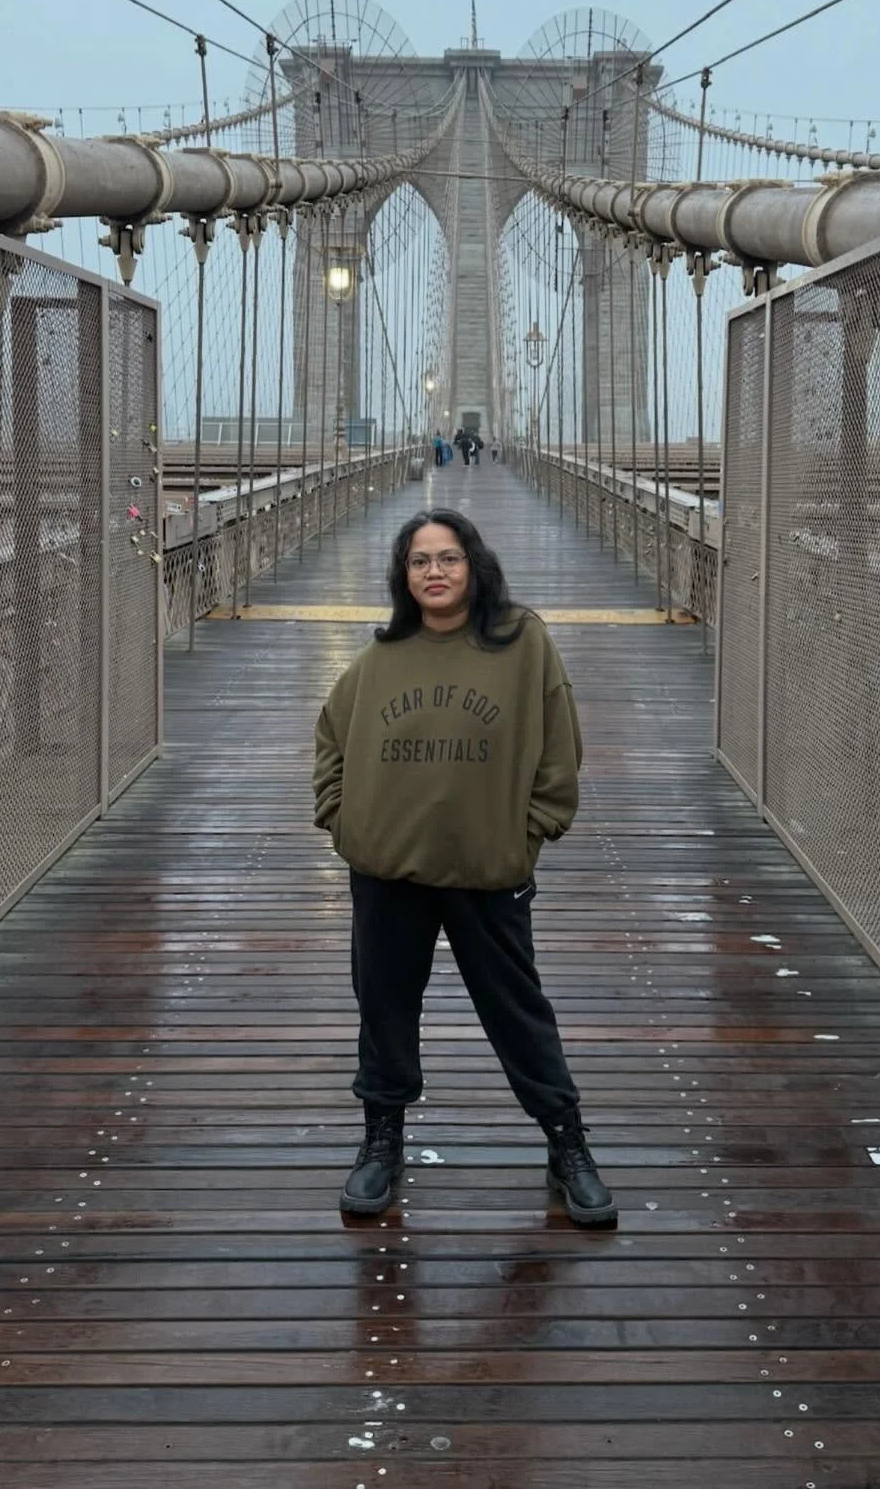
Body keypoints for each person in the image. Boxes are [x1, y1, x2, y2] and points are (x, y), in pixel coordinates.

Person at [312, 507, 616, 1227]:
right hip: (388, 871)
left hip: (488, 870)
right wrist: (342, 819)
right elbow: (331, 737)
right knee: (384, 1008)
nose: (435, 572)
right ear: (404, 575)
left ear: (474, 565)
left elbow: (560, 746)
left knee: (517, 1011)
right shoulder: (383, 655)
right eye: (420, 561)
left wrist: (530, 832)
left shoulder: (522, 642)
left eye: (448, 558)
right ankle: (382, 1140)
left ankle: (566, 1142)